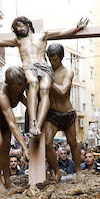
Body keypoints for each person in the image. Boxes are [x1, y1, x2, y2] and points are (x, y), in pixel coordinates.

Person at [0, 16, 89, 136]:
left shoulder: (42, 35)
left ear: (27, 24)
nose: (19, 29)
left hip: (43, 67)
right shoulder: (18, 41)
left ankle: (38, 126)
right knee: (33, 84)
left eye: (20, 25)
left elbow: (62, 33)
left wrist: (77, 28)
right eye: (16, 28)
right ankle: (32, 123)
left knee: (45, 89)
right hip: (28, 67)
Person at [0, 66, 30, 189]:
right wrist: (24, 148)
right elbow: (12, 123)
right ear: (9, 84)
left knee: (6, 148)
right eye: (16, 86)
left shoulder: (22, 85)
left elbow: (29, 103)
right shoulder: (1, 92)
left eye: (20, 85)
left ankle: (7, 181)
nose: (19, 88)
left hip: (5, 115)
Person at [41, 43, 82, 180]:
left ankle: (78, 171)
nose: (53, 62)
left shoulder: (67, 72)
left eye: (55, 59)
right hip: (52, 114)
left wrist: (49, 79)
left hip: (67, 113)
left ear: (61, 57)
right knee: (47, 143)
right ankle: (56, 171)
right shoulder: (47, 71)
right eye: (50, 59)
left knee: (73, 143)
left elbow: (63, 91)